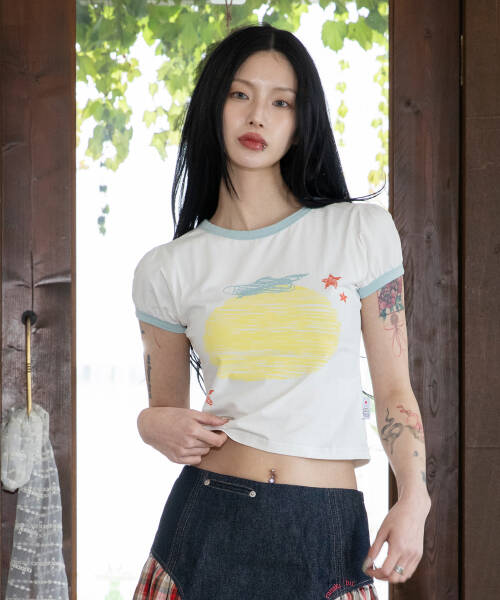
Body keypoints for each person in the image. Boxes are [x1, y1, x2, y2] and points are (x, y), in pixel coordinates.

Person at [131, 23, 431, 600]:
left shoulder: (359, 232)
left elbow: (395, 390)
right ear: (213, 106)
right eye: (240, 94)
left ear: (300, 121)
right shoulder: (166, 269)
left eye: (281, 102)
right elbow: (168, 416)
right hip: (208, 525)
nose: (257, 116)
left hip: (327, 529)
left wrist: (414, 497)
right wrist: (149, 424)